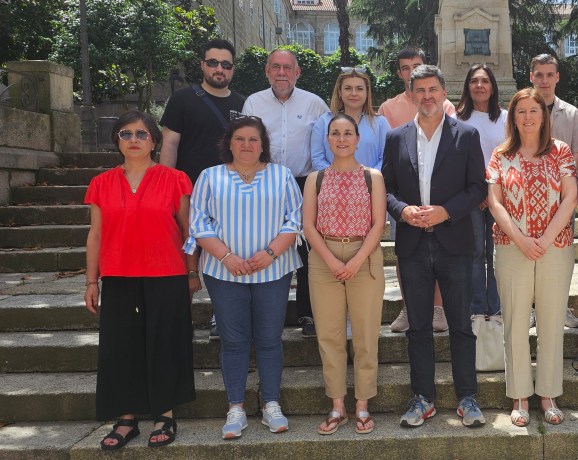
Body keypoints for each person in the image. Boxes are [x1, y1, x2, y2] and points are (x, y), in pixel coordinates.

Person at [382, 65, 487, 429]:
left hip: (454, 242)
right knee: (418, 327)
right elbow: (387, 188)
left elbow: (478, 187)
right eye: (420, 90)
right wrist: (402, 210)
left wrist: (446, 211)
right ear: (411, 95)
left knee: (460, 325)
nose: (427, 96)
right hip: (412, 244)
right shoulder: (396, 137)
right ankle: (423, 398)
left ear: (444, 93)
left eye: (433, 89)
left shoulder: (466, 135)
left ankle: (467, 397)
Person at [185, 116, 303, 439]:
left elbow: (295, 220)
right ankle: (235, 408)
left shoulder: (282, 175)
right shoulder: (210, 177)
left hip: (274, 270)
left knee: (269, 338)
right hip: (224, 272)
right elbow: (199, 223)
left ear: (263, 145)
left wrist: (270, 253)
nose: (247, 145)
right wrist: (226, 256)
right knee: (234, 340)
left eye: (253, 139)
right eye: (240, 139)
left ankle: (271, 404)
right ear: (229, 143)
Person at [84, 110, 196, 450]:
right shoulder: (101, 183)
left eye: (141, 134)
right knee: (121, 347)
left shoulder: (175, 179)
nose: (134, 140)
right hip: (118, 274)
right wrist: (91, 281)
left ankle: (165, 414)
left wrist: (192, 273)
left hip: (167, 273)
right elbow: (95, 235)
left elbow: (188, 231)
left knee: (165, 344)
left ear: (154, 141)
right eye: (126, 134)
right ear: (117, 140)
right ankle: (126, 418)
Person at [486, 88, 577, 427]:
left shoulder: (560, 151)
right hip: (513, 247)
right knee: (515, 322)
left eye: (533, 110)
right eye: (520, 111)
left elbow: (570, 197)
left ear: (543, 115)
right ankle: (520, 395)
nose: (527, 117)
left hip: (556, 247)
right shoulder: (501, 154)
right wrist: (522, 240)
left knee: (552, 321)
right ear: (513, 117)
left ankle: (548, 393)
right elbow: (494, 202)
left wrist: (545, 239)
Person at [303, 114, 387, 435]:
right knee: (329, 336)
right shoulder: (315, 179)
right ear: (327, 138)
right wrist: (331, 260)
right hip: (323, 258)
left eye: (347, 133)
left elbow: (378, 224)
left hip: (364, 256)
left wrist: (355, 261)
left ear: (357, 138)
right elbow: (308, 225)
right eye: (335, 133)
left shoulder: (372, 177)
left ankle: (362, 404)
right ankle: (337, 405)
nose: (341, 139)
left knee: (366, 334)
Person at [160, 38, 246, 341]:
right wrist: (166, 185)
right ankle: (177, 318)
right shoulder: (183, 99)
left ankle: (219, 316)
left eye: (226, 64)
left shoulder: (243, 104)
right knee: (184, 254)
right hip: (189, 191)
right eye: (213, 62)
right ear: (202, 65)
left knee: (226, 252)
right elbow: (170, 143)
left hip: (230, 194)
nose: (219, 69)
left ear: (233, 68)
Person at [242, 49, 327, 338]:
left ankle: (308, 313)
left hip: (304, 184)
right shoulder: (253, 102)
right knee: (264, 246)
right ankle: (262, 317)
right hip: (264, 182)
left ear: (297, 72)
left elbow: (325, 144)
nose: (282, 73)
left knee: (307, 251)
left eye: (287, 68)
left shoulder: (314, 104)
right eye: (276, 67)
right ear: (267, 72)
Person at [380, 47, 456, 334]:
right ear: (401, 74)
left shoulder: (445, 105)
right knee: (406, 254)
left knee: (440, 254)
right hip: (405, 199)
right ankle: (408, 306)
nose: (411, 70)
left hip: (439, 199)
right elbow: (390, 153)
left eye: (417, 65)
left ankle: (437, 308)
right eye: (406, 67)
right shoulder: (388, 108)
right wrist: (401, 207)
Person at [529, 53, 578, 328]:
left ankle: (560, 307)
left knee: (560, 255)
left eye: (549, 74)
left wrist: (565, 190)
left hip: (562, 197)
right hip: (527, 198)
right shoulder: (521, 108)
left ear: (557, 77)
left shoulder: (571, 113)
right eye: (539, 75)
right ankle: (531, 307)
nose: (544, 80)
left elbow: (577, 153)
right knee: (530, 255)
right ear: (531, 77)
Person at [456, 64, 506, 318]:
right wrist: (478, 192)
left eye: (485, 81)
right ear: (467, 87)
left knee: (496, 251)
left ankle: (496, 307)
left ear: (493, 87)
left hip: (501, 194)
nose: (479, 85)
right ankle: (477, 307)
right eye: (474, 81)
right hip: (471, 195)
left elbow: (510, 155)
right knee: (475, 252)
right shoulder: (458, 120)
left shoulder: (505, 118)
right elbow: (457, 159)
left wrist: (493, 190)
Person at [310, 67, 390, 172]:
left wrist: (366, 177)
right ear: (339, 91)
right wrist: (339, 178)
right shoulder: (324, 122)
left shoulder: (380, 123)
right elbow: (317, 158)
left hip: (371, 181)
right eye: (348, 88)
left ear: (367, 92)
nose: (354, 93)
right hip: (331, 181)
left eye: (359, 89)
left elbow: (386, 159)